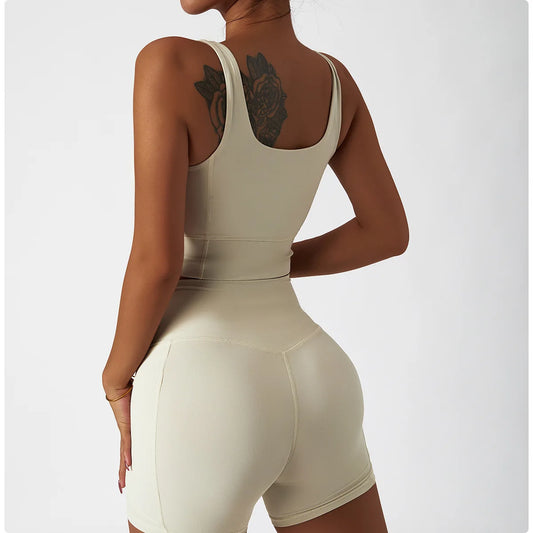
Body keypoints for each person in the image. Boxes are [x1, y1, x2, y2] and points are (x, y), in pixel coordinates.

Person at [101, 0, 409, 531]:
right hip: (318, 378)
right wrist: (267, 261)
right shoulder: (336, 84)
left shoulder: (169, 64)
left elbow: (158, 263)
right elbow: (385, 232)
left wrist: (114, 379)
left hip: (203, 385)